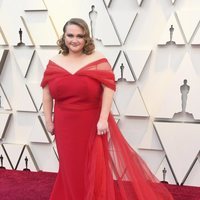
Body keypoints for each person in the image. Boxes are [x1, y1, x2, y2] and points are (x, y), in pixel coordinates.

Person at [41, 18, 174, 200]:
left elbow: (109, 87)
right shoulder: (54, 62)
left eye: (80, 36)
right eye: (70, 35)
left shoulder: (97, 59)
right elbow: (47, 93)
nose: (74, 40)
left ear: (86, 38)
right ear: (63, 37)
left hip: (91, 122)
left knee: (91, 166)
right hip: (64, 124)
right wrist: (48, 120)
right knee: (69, 165)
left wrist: (103, 119)